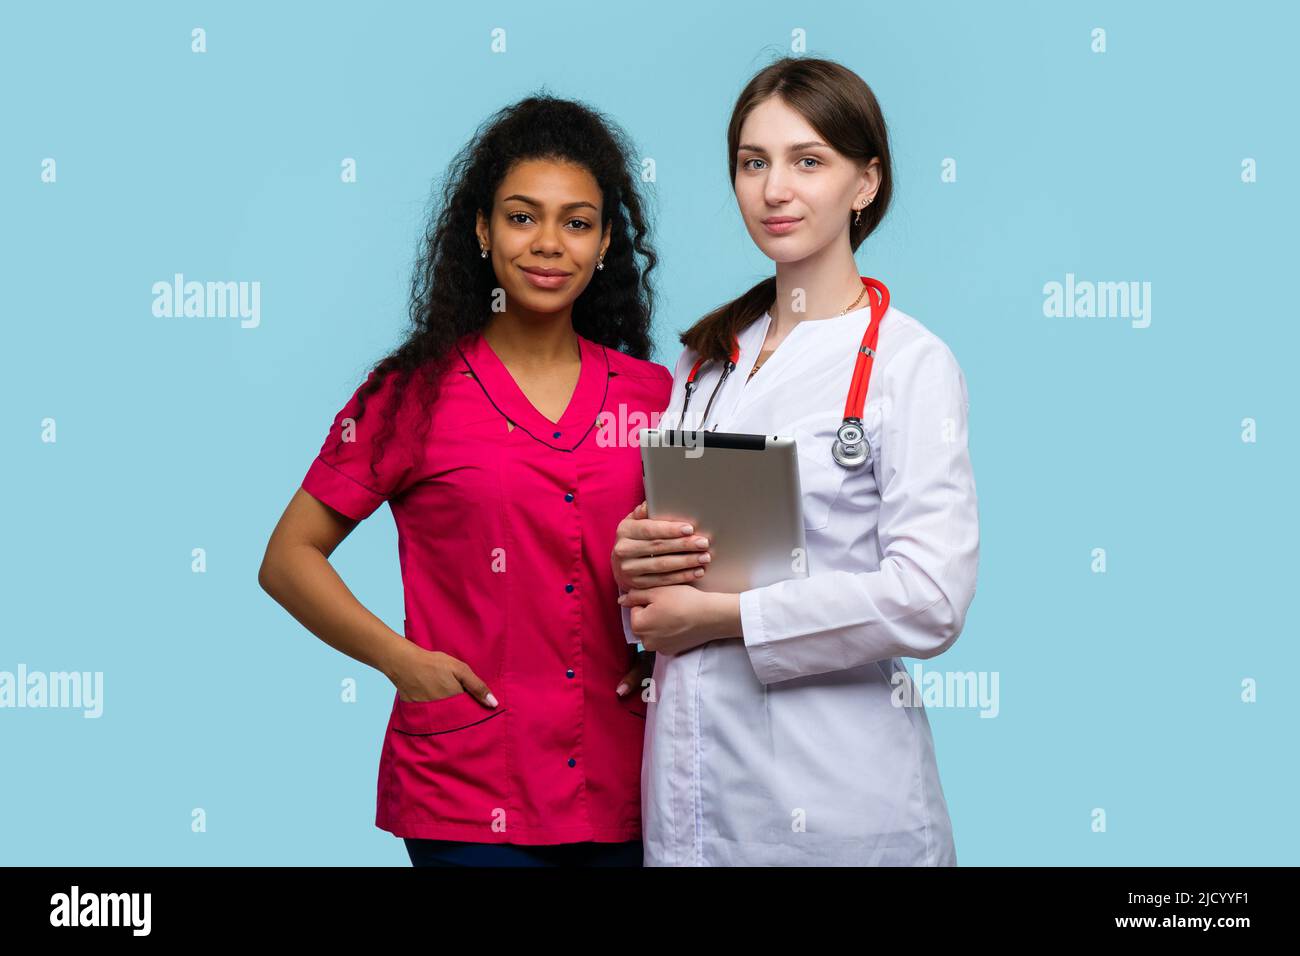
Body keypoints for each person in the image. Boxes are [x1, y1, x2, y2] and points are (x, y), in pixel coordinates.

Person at [259, 96, 671, 867]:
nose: (549, 244)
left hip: (628, 781)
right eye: (523, 217)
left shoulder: (654, 397)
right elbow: (288, 559)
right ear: (482, 230)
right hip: (467, 790)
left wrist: (668, 649)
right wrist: (400, 659)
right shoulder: (411, 395)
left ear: (607, 241)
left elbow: (695, 558)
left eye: (577, 222)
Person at [612, 57, 980, 866]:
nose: (774, 189)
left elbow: (930, 597)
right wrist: (631, 562)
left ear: (865, 183)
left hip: (844, 803)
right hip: (693, 785)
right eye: (754, 162)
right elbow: (674, 564)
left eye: (807, 160)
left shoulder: (908, 365)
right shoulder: (702, 363)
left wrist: (725, 618)